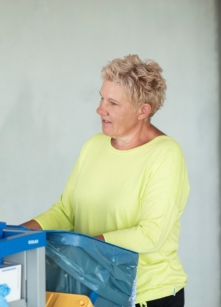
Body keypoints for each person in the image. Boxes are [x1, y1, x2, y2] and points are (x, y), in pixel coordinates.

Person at [22, 55, 188, 307]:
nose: (100, 109)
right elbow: (67, 212)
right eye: (101, 98)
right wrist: (18, 233)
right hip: (91, 289)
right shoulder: (93, 146)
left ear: (143, 110)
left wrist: (83, 247)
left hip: (146, 295)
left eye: (113, 103)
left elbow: (151, 234)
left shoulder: (165, 154)